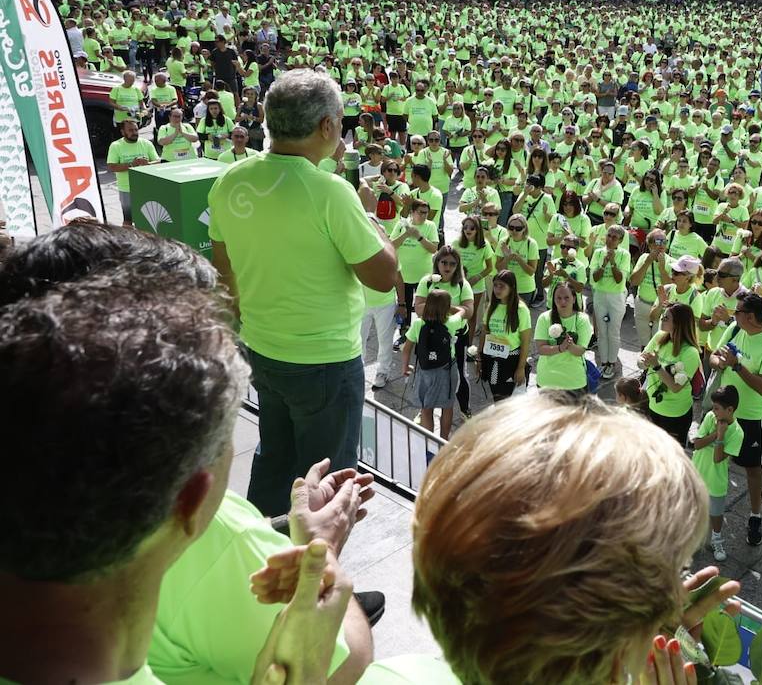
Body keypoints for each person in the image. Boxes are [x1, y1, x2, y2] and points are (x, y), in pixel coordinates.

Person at [0, 222, 376, 685]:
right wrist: (322, 555)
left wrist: (290, 533)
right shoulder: (223, 537)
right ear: (190, 498)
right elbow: (346, 662)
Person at [390, 392, 729, 685]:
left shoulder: (394, 673)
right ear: (615, 666)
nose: (675, 594)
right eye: (678, 569)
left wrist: (630, 635)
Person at [209, 69, 399, 516]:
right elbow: (382, 275)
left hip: (263, 351)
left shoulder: (230, 181)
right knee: (325, 485)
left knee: (274, 461)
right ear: (327, 126)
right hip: (325, 364)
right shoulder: (331, 191)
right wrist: (372, 218)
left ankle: (267, 557)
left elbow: (225, 275)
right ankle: (315, 579)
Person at [709, 291, 762, 547]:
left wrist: (737, 365)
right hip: (723, 413)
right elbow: (713, 355)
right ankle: (712, 508)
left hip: (751, 417)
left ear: (750, 316)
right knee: (717, 460)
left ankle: (755, 515)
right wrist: (719, 362)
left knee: (752, 468)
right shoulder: (734, 328)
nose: (734, 314)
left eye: (738, 311)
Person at [399, 289, 463, 438]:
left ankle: (428, 443)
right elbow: (462, 311)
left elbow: (406, 349)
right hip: (447, 370)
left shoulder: (418, 324)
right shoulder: (451, 322)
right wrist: (452, 307)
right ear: (446, 308)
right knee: (447, 407)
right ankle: (443, 440)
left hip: (425, 370)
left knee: (426, 408)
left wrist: (405, 366)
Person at [640, 302, 703, 446]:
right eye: (663, 316)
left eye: (666, 318)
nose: (662, 319)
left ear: (678, 323)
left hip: (675, 414)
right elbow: (642, 359)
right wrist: (643, 362)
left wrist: (656, 365)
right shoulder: (660, 336)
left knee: (671, 458)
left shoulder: (690, 353)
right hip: (653, 407)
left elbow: (675, 387)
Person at [693, 386, 744, 561]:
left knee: (715, 513)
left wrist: (721, 436)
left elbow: (717, 458)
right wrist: (716, 434)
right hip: (697, 473)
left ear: (730, 410)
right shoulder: (710, 417)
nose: (713, 411)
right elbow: (697, 444)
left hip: (716, 480)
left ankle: (716, 538)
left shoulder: (737, 433)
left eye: (717, 408)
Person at [474, 269, 532, 401]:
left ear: (511, 288)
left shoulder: (521, 310)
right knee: (497, 397)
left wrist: (521, 367)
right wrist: (479, 357)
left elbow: (525, 341)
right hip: (491, 358)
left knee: (508, 401)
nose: (497, 289)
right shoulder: (491, 307)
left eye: (502, 286)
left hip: (511, 360)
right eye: (495, 285)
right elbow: (485, 332)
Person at [533, 279, 595, 392]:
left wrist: (570, 345)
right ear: (553, 299)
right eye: (559, 298)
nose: (563, 302)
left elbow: (580, 351)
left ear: (574, 299)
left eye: (566, 298)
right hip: (547, 380)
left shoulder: (582, 319)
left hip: (574, 382)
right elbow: (541, 349)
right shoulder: (544, 318)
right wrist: (560, 348)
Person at [589, 222, 632, 379]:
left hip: (616, 297)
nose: (611, 239)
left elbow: (620, 279)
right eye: (609, 236)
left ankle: (612, 363)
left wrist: (613, 263)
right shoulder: (598, 253)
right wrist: (604, 263)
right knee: (601, 331)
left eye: (615, 238)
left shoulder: (624, 255)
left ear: (620, 241)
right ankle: (604, 362)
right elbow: (594, 277)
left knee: (613, 331)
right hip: (600, 295)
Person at [106, 117, 159, 226]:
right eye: (130, 130)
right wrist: (131, 165)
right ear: (122, 132)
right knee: (128, 220)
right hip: (127, 189)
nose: (134, 133)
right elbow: (111, 167)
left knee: (150, 218)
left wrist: (148, 164)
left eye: (136, 130)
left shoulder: (146, 143)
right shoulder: (116, 146)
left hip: (147, 188)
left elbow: (158, 161)